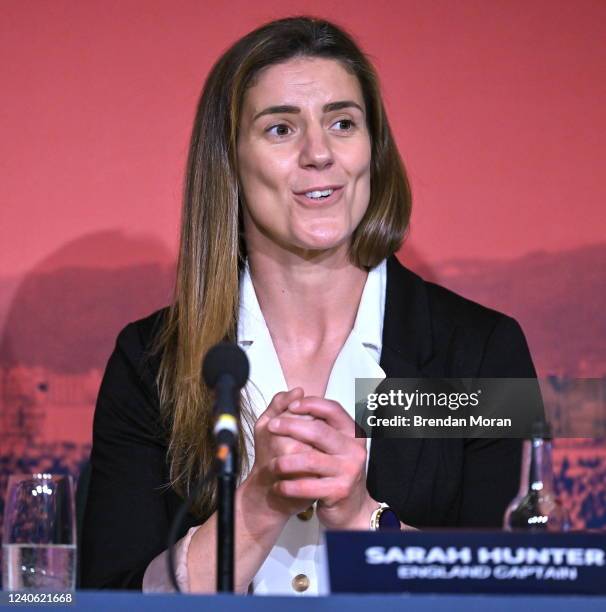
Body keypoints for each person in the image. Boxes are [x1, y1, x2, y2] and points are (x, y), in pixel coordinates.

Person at [81, 16, 537, 595]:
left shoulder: (477, 350)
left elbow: (513, 590)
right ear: (230, 161)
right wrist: (255, 506)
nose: (318, 154)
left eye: (342, 123)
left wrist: (360, 515)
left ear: (373, 149)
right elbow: (112, 598)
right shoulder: (152, 361)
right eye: (280, 130)